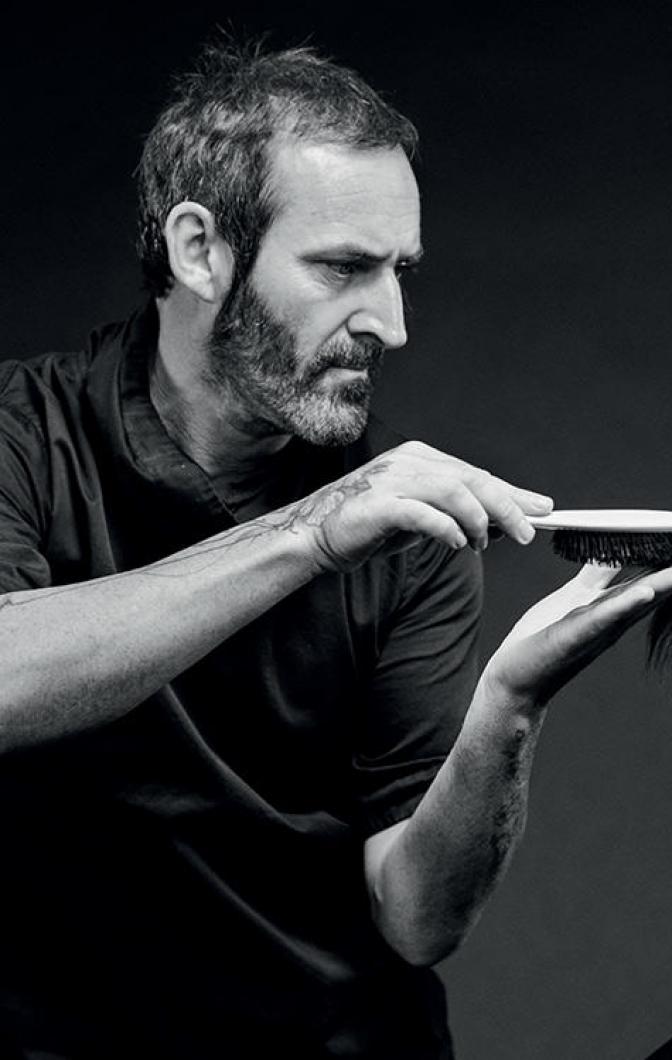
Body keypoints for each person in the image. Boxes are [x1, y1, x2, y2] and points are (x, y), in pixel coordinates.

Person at [0, 37, 669, 1060]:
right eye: (344, 268)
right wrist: (312, 532)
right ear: (199, 249)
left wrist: (509, 705)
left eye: (400, 272)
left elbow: (418, 919)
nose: (391, 323)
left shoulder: (408, 522)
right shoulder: (21, 434)